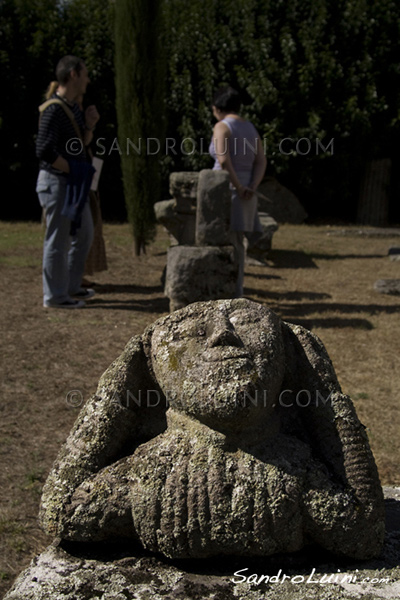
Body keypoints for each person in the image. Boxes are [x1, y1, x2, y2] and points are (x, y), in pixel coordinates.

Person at [36, 55, 100, 308]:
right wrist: (73, 170)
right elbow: (44, 151)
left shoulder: (73, 108)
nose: (87, 79)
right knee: (57, 241)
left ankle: (72, 287)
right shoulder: (52, 109)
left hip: (71, 185)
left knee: (85, 234)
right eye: (84, 73)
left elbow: (79, 145)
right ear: (73, 74)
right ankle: (55, 296)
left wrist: (91, 126)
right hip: (57, 183)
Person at [209, 86, 267, 297]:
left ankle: (226, 289)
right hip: (247, 193)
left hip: (226, 190)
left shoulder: (222, 127)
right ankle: (237, 288)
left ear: (216, 108)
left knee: (221, 242)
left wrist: (239, 186)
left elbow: (224, 161)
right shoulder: (250, 127)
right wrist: (252, 186)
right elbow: (261, 161)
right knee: (238, 243)